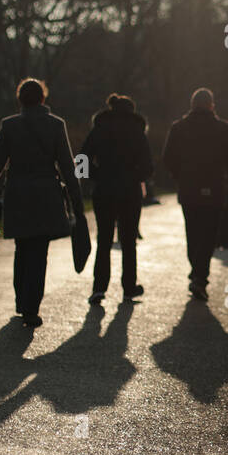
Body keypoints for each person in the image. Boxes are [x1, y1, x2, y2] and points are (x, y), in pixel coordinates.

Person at [0, 78, 86, 328]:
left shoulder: (9, 125)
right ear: (43, 99)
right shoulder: (56, 125)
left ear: (20, 100)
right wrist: (77, 202)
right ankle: (31, 307)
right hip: (46, 196)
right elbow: (68, 165)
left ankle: (21, 300)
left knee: (21, 248)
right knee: (39, 252)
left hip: (17, 194)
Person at [162, 87, 228, 301]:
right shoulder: (223, 129)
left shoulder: (179, 128)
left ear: (192, 104)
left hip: (188, 188)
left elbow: (168, 157)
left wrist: (179, 176)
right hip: (215, 188)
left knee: (193, 231)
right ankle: (200, 276)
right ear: (211, 105)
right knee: (209, 235)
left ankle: (196, 272)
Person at [79, 93, 153, 304]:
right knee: (129, 241)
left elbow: (82, 157)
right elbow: (148, 166)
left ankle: (99, 288)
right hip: (130, 191)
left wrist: (94, 176)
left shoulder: (100, 128)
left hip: (104, 189)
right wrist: (136, 177)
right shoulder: (138, 131)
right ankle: (129, 288)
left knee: (103, 240)